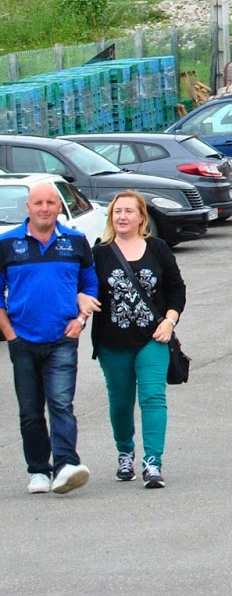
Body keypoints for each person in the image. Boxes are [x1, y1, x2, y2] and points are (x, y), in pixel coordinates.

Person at [0, 180, 99, 495]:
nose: (44, 208)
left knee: (60, 403)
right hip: (23, 341)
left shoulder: (76, 241)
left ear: (60, 208)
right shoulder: (7, 243)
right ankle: (38, 470)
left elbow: (90, 285)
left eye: (51, 203)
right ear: (27, 207)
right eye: (38, 203)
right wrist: (11, 336)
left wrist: (81, 320)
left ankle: (66, 466)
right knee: (30, 410)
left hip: (62, 338)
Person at [91, 190, 185, 489]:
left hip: (153, 338)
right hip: (112, 342)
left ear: (141, 217)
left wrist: (170, 321)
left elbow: (176, 290)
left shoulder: (157, 248)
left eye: (129, 211)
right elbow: (86, 289)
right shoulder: (100, 253)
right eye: (117, 211)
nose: (122, 216)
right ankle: (125, 453)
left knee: (153, 398)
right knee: (120, 402)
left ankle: (153, 462)